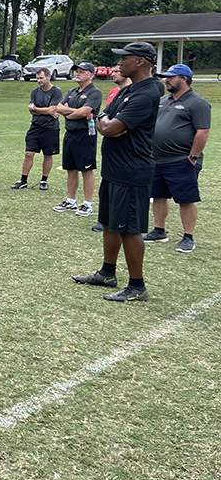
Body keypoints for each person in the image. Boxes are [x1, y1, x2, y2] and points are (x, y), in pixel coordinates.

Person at [73, 42, 160, 302]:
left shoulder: (147, 93)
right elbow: (105, 119)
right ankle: (107, 273)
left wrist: (109, 123)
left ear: (142, 61)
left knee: (130, 229)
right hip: (114, 169)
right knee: (110, 222)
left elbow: (111, 128)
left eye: (125, 58)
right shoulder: (126, 90)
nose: (119, 63)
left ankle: (137, 286)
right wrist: (108, 122)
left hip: (132, 170)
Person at [142, 64, 211, 253]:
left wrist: (193, 157)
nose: (167, 80)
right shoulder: (164, 100)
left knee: (186, 199)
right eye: (166, 77)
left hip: (181, 159)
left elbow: (203, 131)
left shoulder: (198, 103)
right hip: (157, 158)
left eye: (171, 77)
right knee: (158, 195)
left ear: (184, 79)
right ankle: (159, 230)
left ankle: (188, 237)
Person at [53, 63, 102, 217]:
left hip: (85, 134)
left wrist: (69, 112)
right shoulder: (72, 91)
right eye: (77, 71)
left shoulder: (94, 92)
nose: (78, 74)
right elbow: (58, 108)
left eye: (82, 72)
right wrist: (73, 112)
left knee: (86, 170)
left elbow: (85, 112)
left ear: (91, 75)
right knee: (70, 169)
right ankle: (71, 201)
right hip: (70, 133)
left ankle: (87, 204)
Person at [91, 65, 131, 232]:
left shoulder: (134, 93)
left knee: (122, 185)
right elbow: (101, 117)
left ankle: (119, 219)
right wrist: (107, 127)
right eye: (112, 71)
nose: (113, 74)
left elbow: (122, 125)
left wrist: (109, 126)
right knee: (107, 183)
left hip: (127, 149)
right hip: (110, 145)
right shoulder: (114, 92)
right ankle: (105, 217)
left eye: (117, 71)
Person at [11, 67, 62, 191]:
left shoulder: (56, 91)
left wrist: (37, 109)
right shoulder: (35, 91)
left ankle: (44, 180)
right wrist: (44, 111)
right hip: (35, 126)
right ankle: (23, 180)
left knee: (48, 154)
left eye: (41, 78)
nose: (38, 80)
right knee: (28, 153)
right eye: (37, 78)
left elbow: (52, 110)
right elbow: (32, 109)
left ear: (48, 77)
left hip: (51, 128)